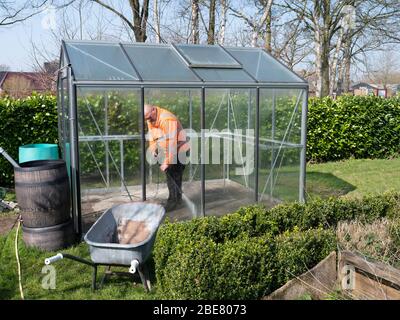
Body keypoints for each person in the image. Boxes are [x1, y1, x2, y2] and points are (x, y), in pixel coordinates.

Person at [144, 104, 189, 211]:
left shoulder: (167, 119)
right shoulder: (150, 119)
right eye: (146, 119)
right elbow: (152, 135)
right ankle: (176, 200)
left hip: (179, 150)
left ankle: (173, 202)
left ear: (154, 110)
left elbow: (172, 143)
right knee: (172, 176)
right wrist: (153, 148)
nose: (148, 121)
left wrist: (166, 163)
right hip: (168, 150)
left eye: (149, 118)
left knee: (174, 176)